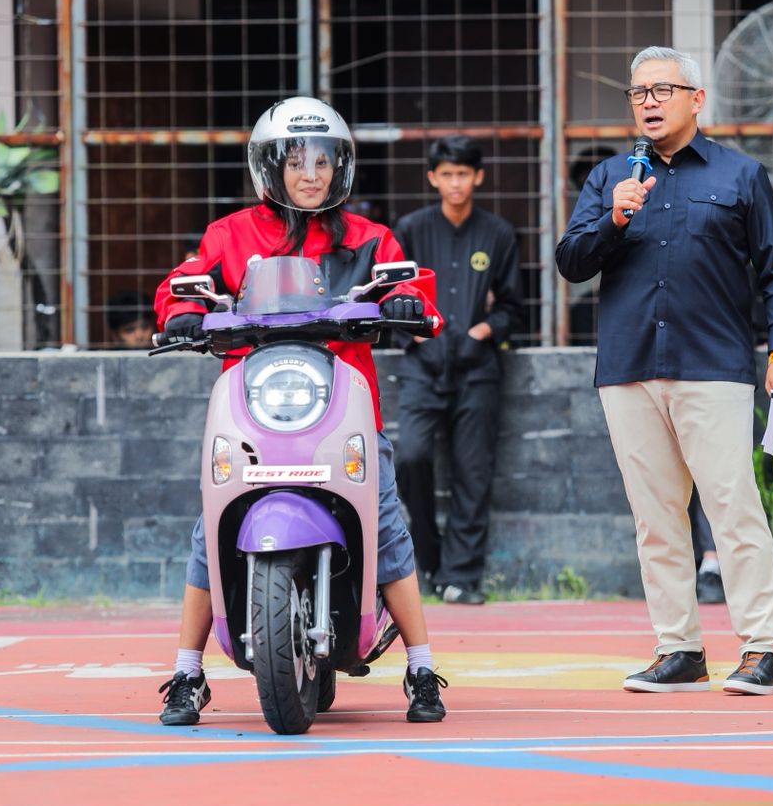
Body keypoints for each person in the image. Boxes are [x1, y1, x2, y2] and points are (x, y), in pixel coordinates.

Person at [152, 96, 449, 725]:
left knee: (385, 521)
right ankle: (187, 671)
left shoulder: (370, 238)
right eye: (295, 161)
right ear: (271, 166)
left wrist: (405, 300)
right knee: (210, 528)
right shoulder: (230, 235)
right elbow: (184, 282)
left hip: (343, 408)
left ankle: (422, 667)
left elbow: (409, 282)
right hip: (252, 408)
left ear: (340, 166)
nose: (310, 174)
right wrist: (182, 312)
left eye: (322, 161)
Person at [556, 46, 773, 697]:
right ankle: (679, 649)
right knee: (656, 518)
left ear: (697, 99)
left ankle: (761, 648)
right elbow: (571, 262)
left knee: (732, 508)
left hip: (712, 365)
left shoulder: (741, 175)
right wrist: (614, 217)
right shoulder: (612, 177)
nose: (649, 102)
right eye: (639, 93)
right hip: (629, 368)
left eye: (662, 90)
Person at [393, 136, 523, 605]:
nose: (455, 183)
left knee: (473, 472)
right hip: (422, 367)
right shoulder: (410, 230)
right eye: (446, 174)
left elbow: (512, 307)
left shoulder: (498, 234)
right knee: (410, 456)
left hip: (477, 369)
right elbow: (391, 296)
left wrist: (480, 332)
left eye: (463, 174)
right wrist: (416, 335)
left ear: (478, 176)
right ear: (432, 177)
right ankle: (429, 561)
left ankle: (461, 579)